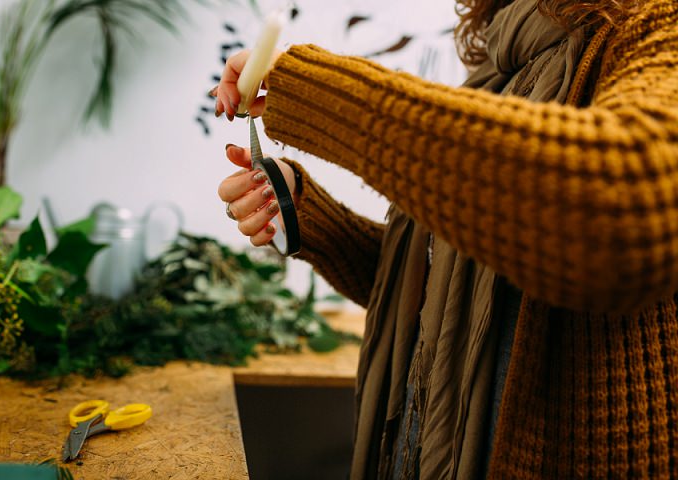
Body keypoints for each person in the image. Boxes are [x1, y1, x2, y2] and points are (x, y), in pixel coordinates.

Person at [214, 0, 678, 478]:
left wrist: (317, 90)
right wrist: (309, 216)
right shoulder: (503, 66)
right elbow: (439, 292)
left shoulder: (660, 26)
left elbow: (621, 212)